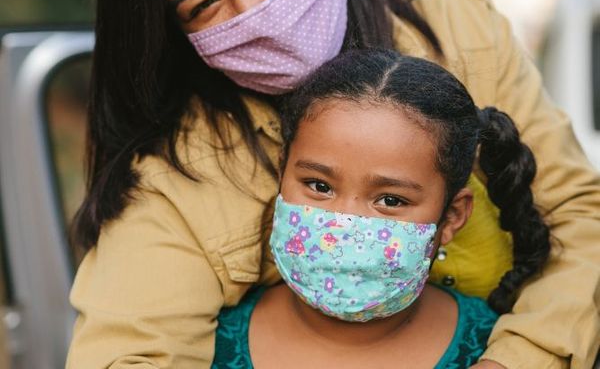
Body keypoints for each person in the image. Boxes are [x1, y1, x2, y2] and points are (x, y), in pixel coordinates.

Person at [66, 0, 600, 369]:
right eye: (205, 6)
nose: (256, 14)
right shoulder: (179, 170)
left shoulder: (458, 29)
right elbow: (130, 351)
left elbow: (579, 219)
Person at [212, 49, 550, 368]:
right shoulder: (206, 342)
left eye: (390, 200)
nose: (343, 223)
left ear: (452, 216)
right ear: (282, 172)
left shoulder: (495, 348)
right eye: (319, 186)